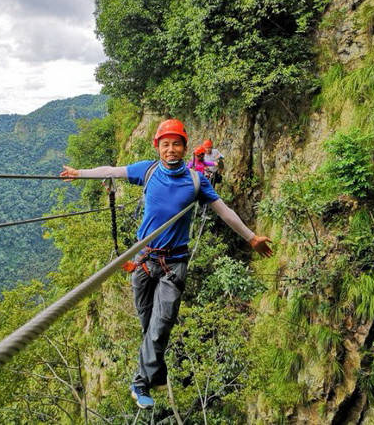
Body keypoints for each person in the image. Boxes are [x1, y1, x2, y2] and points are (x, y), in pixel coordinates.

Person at [60, 118, 272, 410]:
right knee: (148, 325)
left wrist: (251, 238)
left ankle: (140, 382)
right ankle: (157, 374)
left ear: (184, 147)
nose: (170, 150)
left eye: (176, 144)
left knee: (160, 327)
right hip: (144, 260)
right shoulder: (146, 171)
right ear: (157, 147)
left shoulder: (197, 181)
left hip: (173, 265)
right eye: (165, 144)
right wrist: (79, 173)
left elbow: (225, 212)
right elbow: (112, 171)